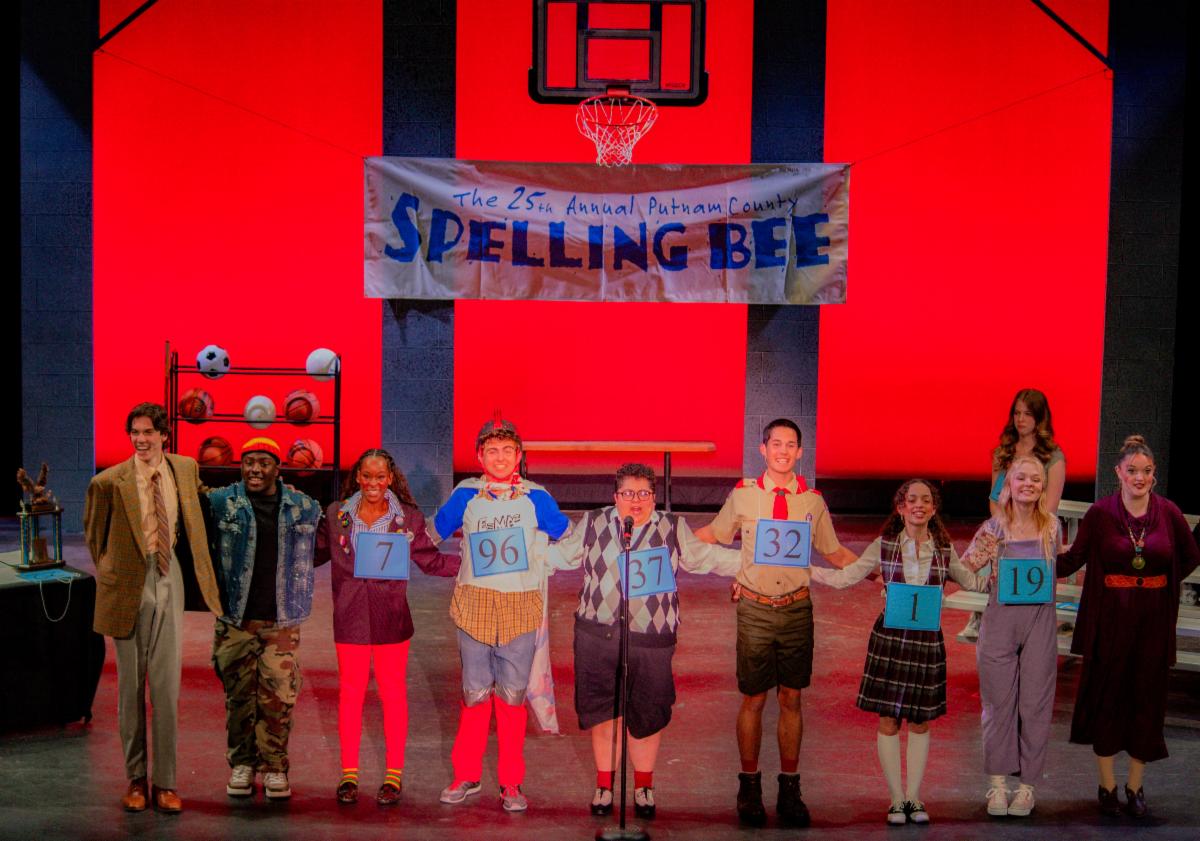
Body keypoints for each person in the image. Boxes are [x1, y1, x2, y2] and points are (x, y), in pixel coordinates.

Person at [548, 463, 741, 819]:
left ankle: (644, 786)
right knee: (604, 713)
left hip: (652, 638)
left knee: (648, 715)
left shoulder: (671, 527)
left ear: (654, 497)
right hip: (597, 635)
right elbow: (559, 557)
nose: (635, 502)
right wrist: (518, 562)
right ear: (614, 497)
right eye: (627, 494)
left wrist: (754, 566)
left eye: (643, 494)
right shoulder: (593, 524)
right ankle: (604, 786)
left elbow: (707, 558)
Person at [695, 418, 857, 827]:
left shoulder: (812, 501)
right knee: (753, 698)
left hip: (796, 609)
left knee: (792, 698)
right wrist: (658, 538)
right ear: (763, 449)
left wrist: (883, 571)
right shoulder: (744, 495)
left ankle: (790, 788)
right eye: (776, 444)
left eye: (791, 445)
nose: (783, 451)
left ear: (800, 453)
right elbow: (714, 534)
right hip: (754, 609)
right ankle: (748, 787)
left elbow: (834, 553)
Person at [810, 479, 985, 825]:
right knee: (888, 718)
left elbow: (974, 583)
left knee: (921, 720)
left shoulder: (944, 549)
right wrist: (804, 571)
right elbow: (847, 577)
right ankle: (895, 799)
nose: (918, 505)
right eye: (911, 499)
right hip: (890, 640)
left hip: (925, 642)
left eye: (926, 500)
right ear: (901, 507)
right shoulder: (884, 545)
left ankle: (915, 798)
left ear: (934, 509)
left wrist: (999, 558)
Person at [83, 402, 222, 813]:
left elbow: (199, 507)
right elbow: (95, 539)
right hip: (129, 581)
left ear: (164, 435)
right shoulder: (109, 482)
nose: (141, 440)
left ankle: (166, 783)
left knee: (166, 686)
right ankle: (136, 780)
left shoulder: (184, 467)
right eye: (135, 433)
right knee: (131, 689)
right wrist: (120, 573)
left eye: (148, 432)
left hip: (170, 577)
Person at [430, 416, 571, 813]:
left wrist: (546, 560)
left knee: (511, 698)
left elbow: (567, 536)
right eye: (492, 450)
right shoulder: (466, 495)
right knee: (474, 695)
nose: (500, 457)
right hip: (474, 604)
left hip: (519, 606)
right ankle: (466, 775)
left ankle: (511, 782)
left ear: (519, 455)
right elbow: (429, 535)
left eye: (508, 450)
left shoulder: (537, 497)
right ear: (479, 456)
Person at [1056, 435, 1200, 818]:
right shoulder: (1101, 514)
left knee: (1146, 701)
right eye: (1132, 470)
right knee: (1108, 698)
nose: (1139, 477)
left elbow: (1189, 556)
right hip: (1110, 622)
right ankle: (1107, 785)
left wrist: (1158, 584)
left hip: (1152, 622)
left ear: (1154, 475)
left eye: (1147, 472)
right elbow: (1073, 559)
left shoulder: (1168, 512)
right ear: (1118, 472)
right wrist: (1027, 560)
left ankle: (1135, 787)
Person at [321, 448, 460, 805]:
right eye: (366, 476)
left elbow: (431, 561)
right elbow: (315, 552)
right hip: (350, 617)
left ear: (390, 479)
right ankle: (349, 774)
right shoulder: (336, 515)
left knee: (392, 695)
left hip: (391, 618)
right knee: (350, 695)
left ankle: (393, 776)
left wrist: (472, 565)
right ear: (357, 478)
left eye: (380, 477)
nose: (373, 483)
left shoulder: (408, 519)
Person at [207, 437, 324, 800]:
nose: (254, 469)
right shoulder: (221, 502)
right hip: (235, 619)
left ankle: (274, 767)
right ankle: (242, 765)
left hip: (281, 621)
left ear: (278, 467)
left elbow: (323, 545)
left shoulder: (304, 507)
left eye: (262, 462)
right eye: (248, 462)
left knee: (278, 697)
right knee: (238, 698)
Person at [959, 455, 1062, 818]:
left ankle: (1027, 787)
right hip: (1000, 622)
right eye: (1021, 479)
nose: (1029, 484)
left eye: (1036, 479)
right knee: (997, 704)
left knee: (1034, 705)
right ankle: (999, 785)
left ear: (1043, 486)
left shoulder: (1052, 527)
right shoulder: (994, 528)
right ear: (1009, 484)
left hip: (1039, 623)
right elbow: (965, 565)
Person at [962, 388, 1066, 641]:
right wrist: (1005, 525)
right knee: (993, 540)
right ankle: (981, 615)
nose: (1021, 419)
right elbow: (994, 499)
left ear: (1040, 418)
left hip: (1038, 526)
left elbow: (1050, 506)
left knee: (1013, 546)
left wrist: (1023, 526)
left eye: (1028, 414)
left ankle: (1002, 618)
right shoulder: (1004, 452)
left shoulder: (1053, 457)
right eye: (1017, 413)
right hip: (1005, 523)